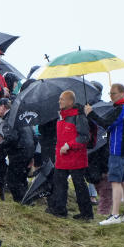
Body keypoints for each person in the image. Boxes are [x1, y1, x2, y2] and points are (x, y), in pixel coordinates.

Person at [85, 84, 124, 225]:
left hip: (117, 151)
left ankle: (114, 215)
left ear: (122, 94)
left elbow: (106, 124)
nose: (111, 96)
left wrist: (91, 113)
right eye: (110, 93)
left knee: (115, 183)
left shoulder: (121, 109)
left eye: (113, 93)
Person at [46, 91, 94, 220]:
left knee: (79, 185)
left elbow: (85, 137)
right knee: (59, 183)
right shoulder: (61, 115)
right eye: (60, 99)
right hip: (62, 157)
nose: (59, 101)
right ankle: (59, 209)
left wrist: (69, 145)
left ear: (70, 102)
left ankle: (86, 213)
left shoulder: (79, 116)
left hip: (76, 157)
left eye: (62, 99)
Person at [0, 98, 35, 202]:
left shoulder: (9, 119)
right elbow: (34, 135)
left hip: (19, 152)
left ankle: (21, 202)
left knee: (13, 180)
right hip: (28, 149)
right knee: (22, 179)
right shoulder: (21, 116)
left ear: (3, 107)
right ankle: (27, 201)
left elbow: (12, 138)